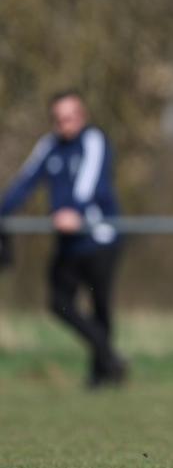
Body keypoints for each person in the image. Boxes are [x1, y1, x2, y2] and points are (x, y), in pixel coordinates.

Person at [0, 90, 125, 387]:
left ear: (82, 116)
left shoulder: (95, 140)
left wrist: (74, 210)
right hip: (69, 244)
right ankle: (110, 358)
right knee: (59, 303)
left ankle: (102, 374)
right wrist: (2, 211)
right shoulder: (49, 146)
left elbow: (91, 182)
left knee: (100, 306)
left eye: (70, 117)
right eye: (59, 118)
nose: (65, 123)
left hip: (100, 239)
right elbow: (25, 182)